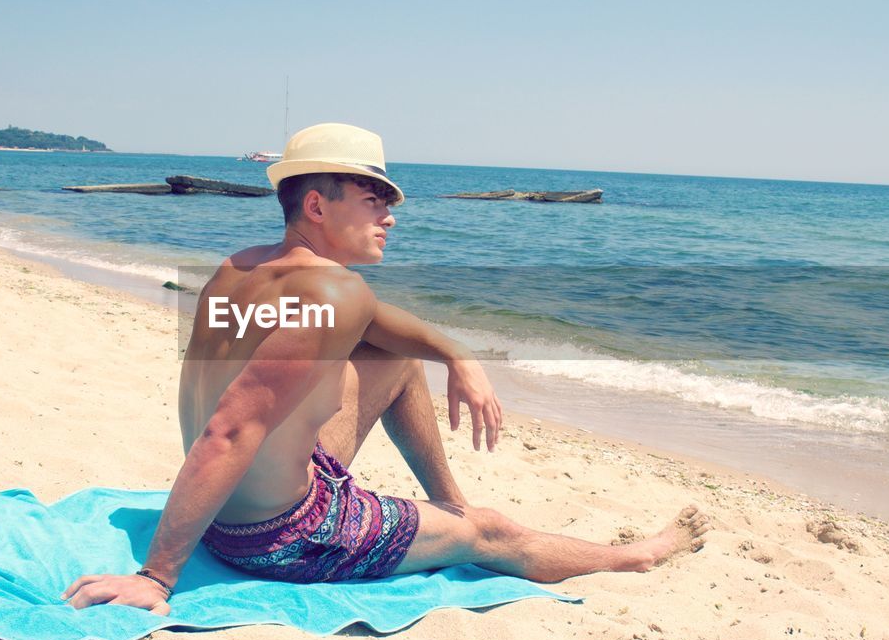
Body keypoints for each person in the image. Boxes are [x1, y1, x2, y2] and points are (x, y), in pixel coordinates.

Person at [65, 123, 708, 614]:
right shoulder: (335, 293)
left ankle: (446, 507)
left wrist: (458, 356)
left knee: (393, 361)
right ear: (318, 206)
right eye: (374, 201)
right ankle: (635, 557)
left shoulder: (243, 266)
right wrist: (156, 576)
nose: (389, 216)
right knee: (494, 533)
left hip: (235, 510)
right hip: (280, 535)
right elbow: (229, 432)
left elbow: (386, 330)